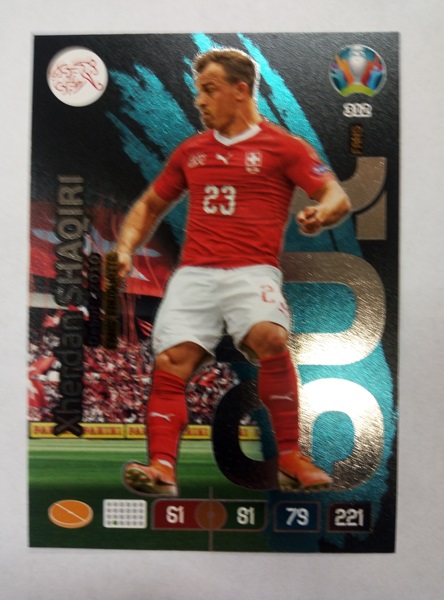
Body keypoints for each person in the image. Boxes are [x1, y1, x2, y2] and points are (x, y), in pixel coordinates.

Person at [116, 48, 351, 497]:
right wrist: (125, 248)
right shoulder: (191, 152)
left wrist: (322, 213)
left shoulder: (285, 146)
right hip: (195, 274)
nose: (199, 101)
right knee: (171, 362)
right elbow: (149, 204)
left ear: (240, 91)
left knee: (270, 338)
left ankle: (290, 458)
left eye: (209, 90)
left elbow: (335, 195)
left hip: (252, 271)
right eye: (197, 92)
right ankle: (161, 468)